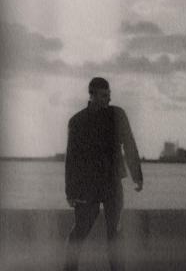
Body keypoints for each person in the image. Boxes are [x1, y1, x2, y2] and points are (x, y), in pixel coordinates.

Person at [64, 77, 143, 271]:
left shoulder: (118, 114)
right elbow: (71, 158)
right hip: (87, 187)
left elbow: (129, 145)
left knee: (115, 234)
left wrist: (137, 175)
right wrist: (70, 191)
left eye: (109, 95)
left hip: (112, 184)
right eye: (103, 95)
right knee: (80, 231)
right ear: (91, 95)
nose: (108, 99)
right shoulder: (77, 121)